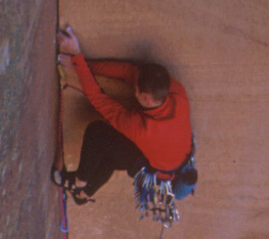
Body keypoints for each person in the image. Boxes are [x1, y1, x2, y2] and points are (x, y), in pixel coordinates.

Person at [54, 24, 192, 201]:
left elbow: (98, 99)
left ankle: (79, 181)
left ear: (146, 98)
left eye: (135, 89)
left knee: (97, 133)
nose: (133, 88)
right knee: (112, 154)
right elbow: (127, 72)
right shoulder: (176, 92)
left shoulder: (140, 129)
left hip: (154, 169)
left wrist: (76, 55)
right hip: (168, 155)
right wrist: (80, 64)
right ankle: (84, 194)